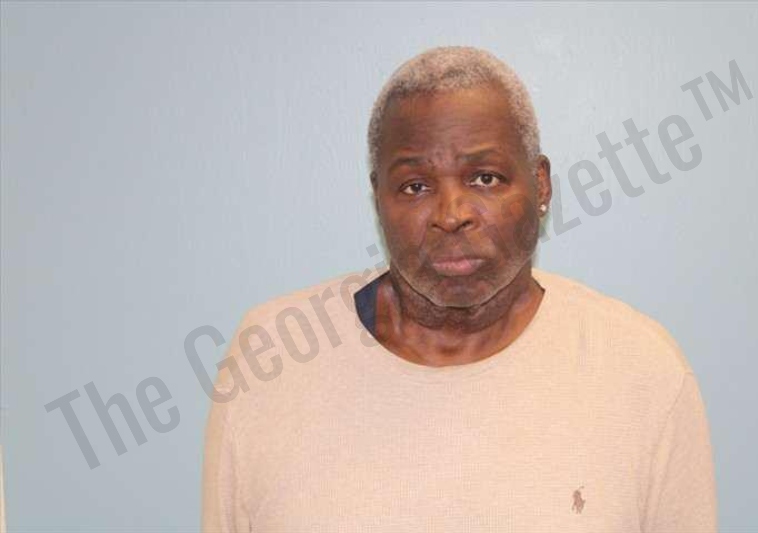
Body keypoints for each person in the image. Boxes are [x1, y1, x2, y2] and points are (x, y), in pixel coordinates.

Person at [201, 46, 717, 532]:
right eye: (415, 186)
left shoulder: (641, 371)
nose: (451, 214)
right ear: (379, 198)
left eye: (485, 178)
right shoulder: (270, 361)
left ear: (540, 185)